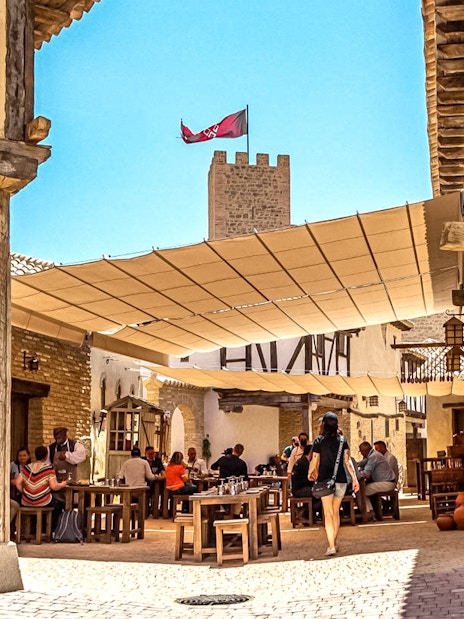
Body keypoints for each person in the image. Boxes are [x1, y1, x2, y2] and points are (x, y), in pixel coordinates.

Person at [309, 412, 359, 557]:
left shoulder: (319, 441)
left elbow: (315, 460)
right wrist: (354, 479)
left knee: (328, 513)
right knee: (335, 512)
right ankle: (334, 543)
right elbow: (347, 461)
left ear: (323, 424)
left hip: (325, 480)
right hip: (341, 480)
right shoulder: (342, 440)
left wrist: (310, 472)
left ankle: (331, 546)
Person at [15, 445, 67, 530]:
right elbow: (54, 486)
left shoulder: (27, 468)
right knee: (59, 504)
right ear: (46, 456)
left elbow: (17, 483)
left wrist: (24, 492)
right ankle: (50, 531)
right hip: (43, 502)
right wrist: (63, 484)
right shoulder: (49, 468)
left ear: (35, 455)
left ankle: (33, 529)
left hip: (26, 502)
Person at [358, 441, 396, 519]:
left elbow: (366, 473)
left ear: (365, 451)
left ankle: (369, 512)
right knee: (364, 489)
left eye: (361, 452)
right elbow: (363, 463)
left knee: (362, 491)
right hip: (385, 481)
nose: (361, 454)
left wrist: (355, 475)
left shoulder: (373, 457)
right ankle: (371, 511)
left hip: (387, 483)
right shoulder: (372, 455)